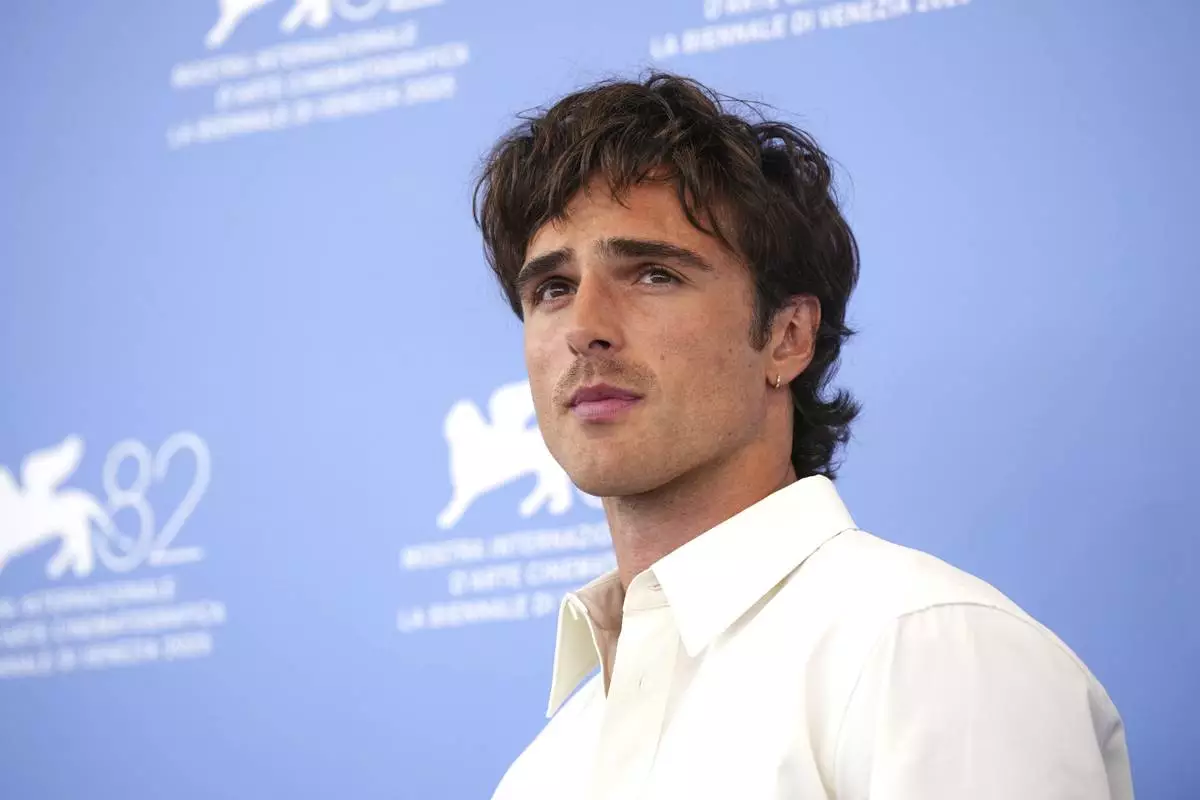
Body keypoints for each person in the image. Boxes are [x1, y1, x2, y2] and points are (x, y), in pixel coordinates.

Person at [473, 72, 1133, 800]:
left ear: (788, 338)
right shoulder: (543, 770)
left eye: (653, 275)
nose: (584, 327)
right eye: (552, 289)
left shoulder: (926, 649)